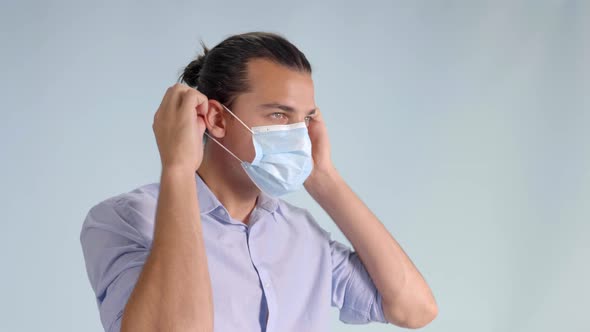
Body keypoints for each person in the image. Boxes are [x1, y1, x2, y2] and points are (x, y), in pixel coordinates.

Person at [80, 31, 438, 332]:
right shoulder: (125, 219)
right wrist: (177, 169)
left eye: (306, 119)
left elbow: (415, 309)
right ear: (218, 119)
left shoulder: (301, 234)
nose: (298, 134)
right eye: (279, 114)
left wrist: (324, 179)